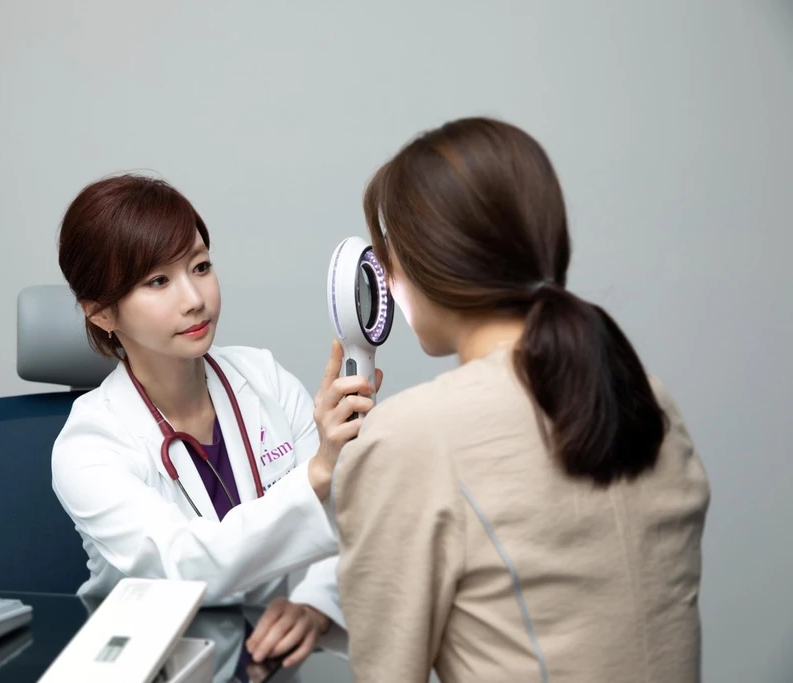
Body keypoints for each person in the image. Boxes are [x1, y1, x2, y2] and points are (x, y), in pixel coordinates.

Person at [332, 117, 710, 682]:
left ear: (425, 261)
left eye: (390, 256)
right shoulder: (644, 394)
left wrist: (356, 467)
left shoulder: (416, 436)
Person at [51, 173, 380, 668]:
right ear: (101, 313)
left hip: (262, 665)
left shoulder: (263, 378)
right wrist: (317, 471)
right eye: (158, 281)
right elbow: (185, 565)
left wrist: (315, 603)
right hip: (148, 666)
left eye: (200, 266)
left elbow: (352, 512)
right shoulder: (89, 444)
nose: (194, 298)